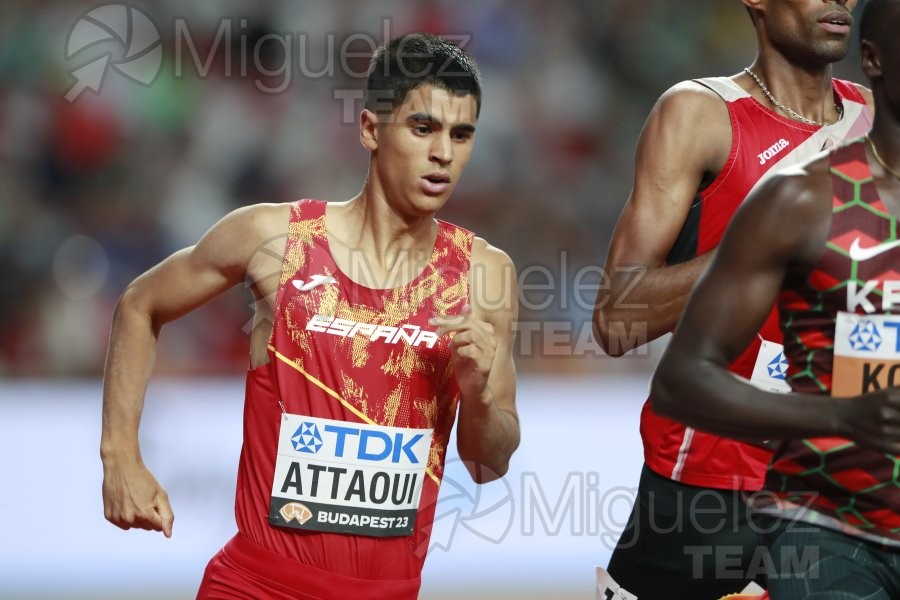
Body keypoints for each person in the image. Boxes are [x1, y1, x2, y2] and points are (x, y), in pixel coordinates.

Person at [99, 33, 520, 600]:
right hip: (255, 586)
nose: (444, 153)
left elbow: (489, 462)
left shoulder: (483, 276)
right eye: (423, 128)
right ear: (371, 130)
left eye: (461, 134)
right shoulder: (275, 240)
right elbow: (140, 304)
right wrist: (121, 455)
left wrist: (479, 395)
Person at [593, 0, 874, 597]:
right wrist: (761, 239)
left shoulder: (878, 120)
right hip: (708, 486)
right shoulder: (700, 115)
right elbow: (617, 319)